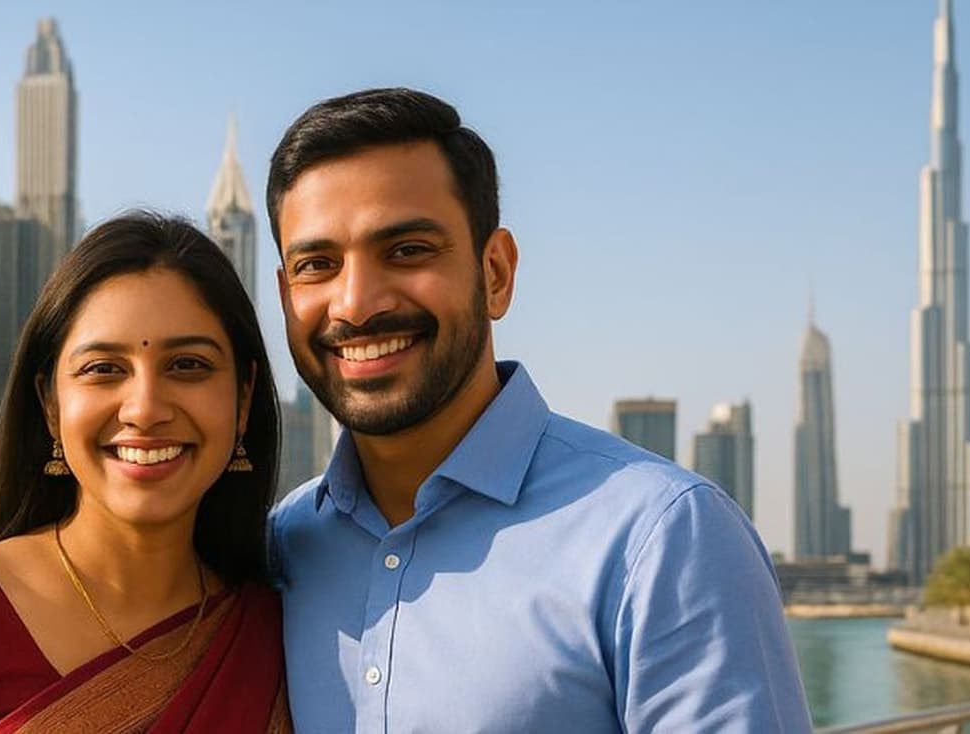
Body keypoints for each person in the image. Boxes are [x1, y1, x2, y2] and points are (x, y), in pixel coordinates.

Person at [265, 88, 813, 732]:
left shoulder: (660, 539)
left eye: (407, 250)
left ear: (495, 273)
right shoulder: (280, 550)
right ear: (284, 295)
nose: (355, 303)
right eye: (317, 264)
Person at [0, 212, 290, 733]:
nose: (144, 408)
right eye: (103, 369)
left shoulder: (280, 632)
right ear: (50, 403)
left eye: (187, 365)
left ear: (243, 399)